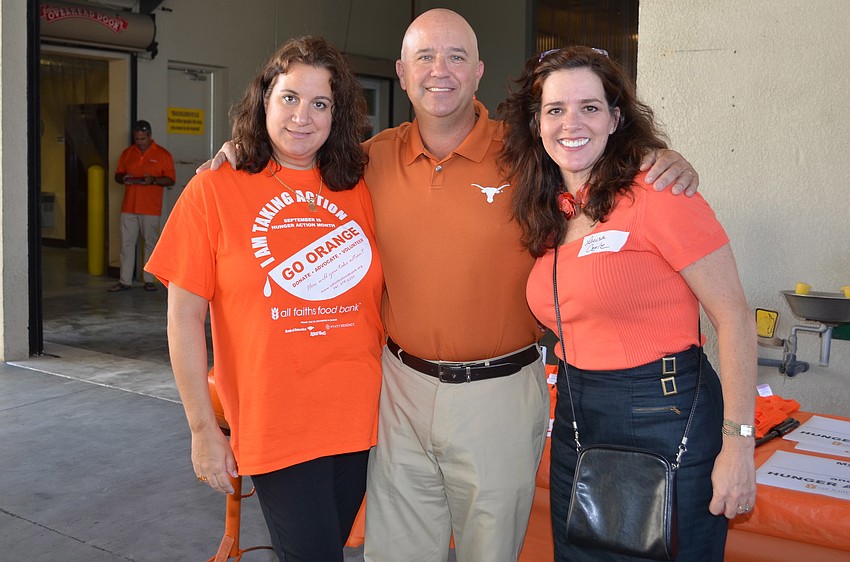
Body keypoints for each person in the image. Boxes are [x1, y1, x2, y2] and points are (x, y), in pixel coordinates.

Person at [206, 10, 701, 561]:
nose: (439, 71)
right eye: (424, 57)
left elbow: (590, 147)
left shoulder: (529, 152)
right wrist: (238, 152)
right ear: (402, 72)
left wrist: (657, 157)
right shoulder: (368, 160)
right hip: (399, 393)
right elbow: (294, 152)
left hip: (500, 394)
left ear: (478, 71)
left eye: (456, 57)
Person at [499, 46, 756, 561]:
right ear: (536, 124)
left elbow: (734, 318)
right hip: (577, 413)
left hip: (666, 411)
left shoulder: (660, 193)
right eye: (555, 109)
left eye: (590, 107)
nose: (571, 123)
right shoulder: (548, 212)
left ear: (615, 119)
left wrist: (738, 444)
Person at [144, 36, 384, 562]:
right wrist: (202, 429)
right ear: (264, 100)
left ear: (338, 115)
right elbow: (183, 319)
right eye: (289, 98)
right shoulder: (214, 190)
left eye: (320, 103)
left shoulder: (361, 185)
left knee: (328, 548)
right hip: (277, 421)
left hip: (359, 416)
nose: (302, 116)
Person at [111, 119, 175, 292]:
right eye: (137, 139)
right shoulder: (127, 153)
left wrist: (153, 180)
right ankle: (125, 280)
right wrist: (124, 178)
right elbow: (117, 175)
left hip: (151, 208)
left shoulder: (162, 154)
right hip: (129, 207)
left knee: (150, 243)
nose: (140, 142)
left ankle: (149, 280)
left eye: (143, 139)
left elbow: (170, 179)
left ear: (150, 136)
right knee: (126, 244)